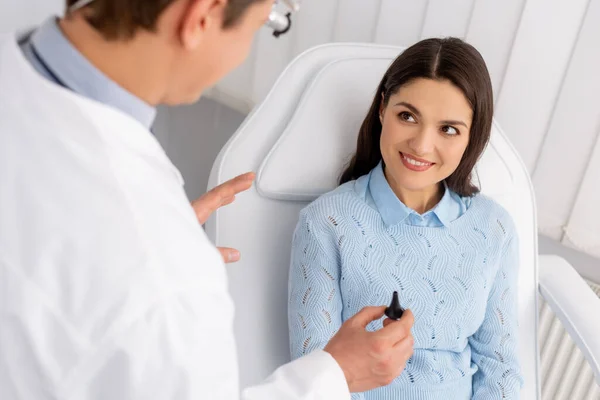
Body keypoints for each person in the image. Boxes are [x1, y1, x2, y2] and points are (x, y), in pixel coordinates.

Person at [0, 0, 416, 399]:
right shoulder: (162, 270)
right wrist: (336, 375)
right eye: (268, 21)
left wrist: (152, 241)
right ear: (202, 16)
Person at [288, 38, 524, 399]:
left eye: (448, 129)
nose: (421, 145)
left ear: (472, 137)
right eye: (408, 116)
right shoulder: (326, 223)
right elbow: (316, 376)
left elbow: (501, 369)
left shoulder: (494, 229)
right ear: (383, 109)